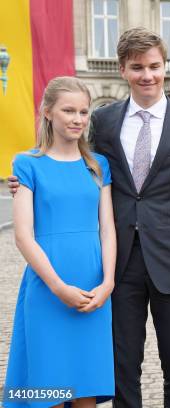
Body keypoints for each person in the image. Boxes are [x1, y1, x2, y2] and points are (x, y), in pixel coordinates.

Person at [9, 28, 170, 407]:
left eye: (155, 66)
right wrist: (26, 179)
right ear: (123, 69)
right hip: (117, 263)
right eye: (137, 67)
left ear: (164, 67)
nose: (147, 76)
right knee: (122, 367)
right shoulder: (103, 121)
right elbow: (67, 155)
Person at [3, 76, 115, 407]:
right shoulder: (26, 164)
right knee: (49, 386)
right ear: (48, 112)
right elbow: (23, 235)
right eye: (69, 110)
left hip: (93, 283)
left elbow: (107, 228)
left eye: (84, 112)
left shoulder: (98, 165)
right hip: (48, 285)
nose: (78, 119)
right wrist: (57, 287)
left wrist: (108, 282)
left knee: (86, 388)